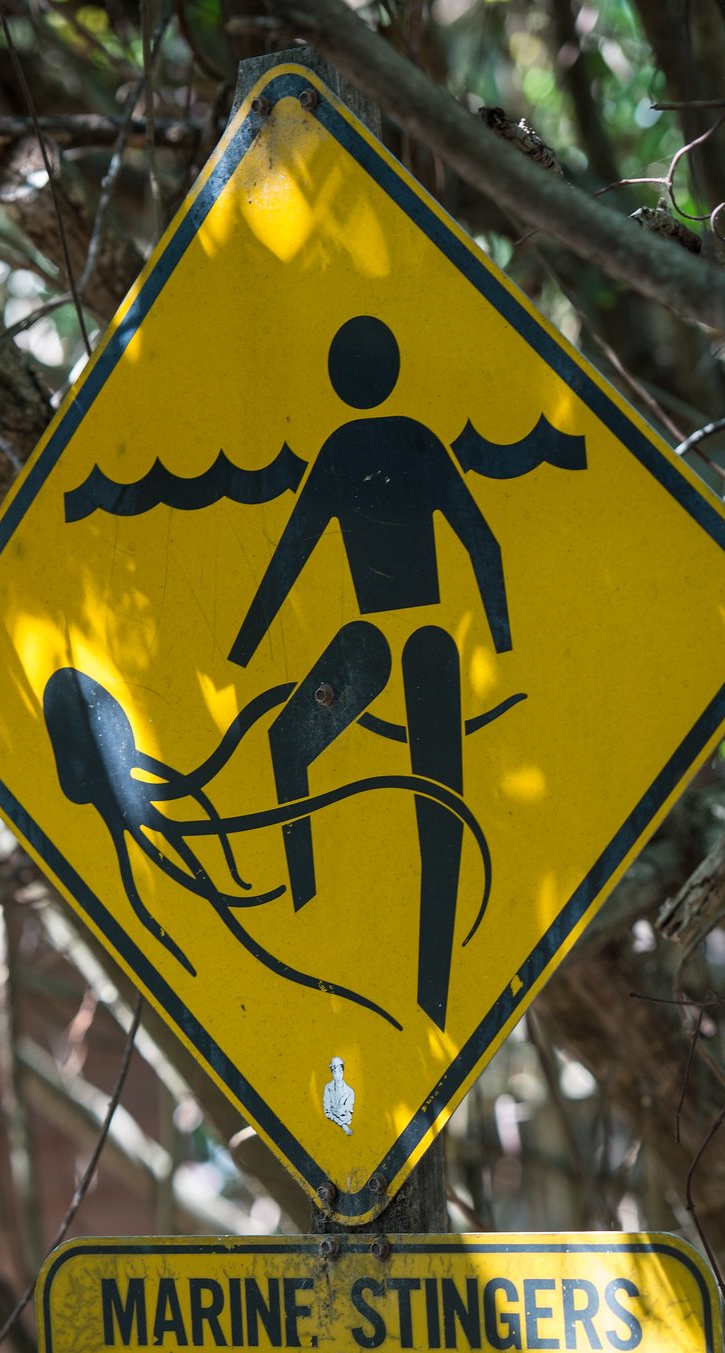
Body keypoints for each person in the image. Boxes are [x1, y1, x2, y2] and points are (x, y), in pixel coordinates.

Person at [230, 314, 513, 1029]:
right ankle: (430, 992)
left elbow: (289, 556)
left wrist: (242, 648)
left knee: (285, 751)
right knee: (439, 817)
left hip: (372, 648)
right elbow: (484, 544)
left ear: (341, 378)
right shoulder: (418, 439)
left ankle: (311, 914)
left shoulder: (342, 447)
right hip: (431, 645)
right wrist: (502, 643)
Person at [323, 1056, 355, 1134]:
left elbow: (347, 1117)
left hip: (347, 1129)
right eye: (335, 1072)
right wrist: (343, 1125)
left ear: (343, 1071)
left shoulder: (350, 1092)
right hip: (329, 1127)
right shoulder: (328, 1088)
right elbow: (327, 1112)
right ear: (332, 1073)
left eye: (340, 1071)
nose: (338, 1075)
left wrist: (335, 1111)